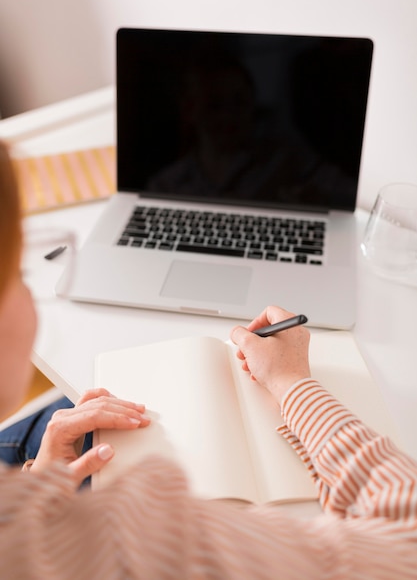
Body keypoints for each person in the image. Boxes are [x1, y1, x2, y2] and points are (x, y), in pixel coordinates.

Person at [0, 140, 416, 578]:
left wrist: (37, 484)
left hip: (33, 475)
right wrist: (295, 384)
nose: (30, 293)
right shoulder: (144, 535)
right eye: (18, 275)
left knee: (67, 409)